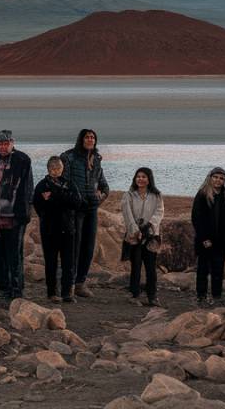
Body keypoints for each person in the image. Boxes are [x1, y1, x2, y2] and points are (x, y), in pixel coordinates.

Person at [60, 128, 109, 298]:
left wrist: (100, 197)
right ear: (81, 139)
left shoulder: (96, 159)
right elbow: (63, 182)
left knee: (88, 247)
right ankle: (69, 284)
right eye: (87, 137)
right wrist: (73, 200)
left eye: (93, 137)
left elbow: (104, 185)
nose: (90, 140)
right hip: (75, 209)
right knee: (74, 247)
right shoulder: (68, 157)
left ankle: (81, 282)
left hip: (91, 209)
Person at [0, 129, 34, 301]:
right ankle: (3, 288)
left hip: (15, 215)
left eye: (5, 143)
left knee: (14, 254)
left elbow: (28, 187)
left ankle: (17, 289)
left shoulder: (22, 159)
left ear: (12, 142)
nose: (2, 147)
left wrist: (26, 211)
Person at [32, 155, 82, 303]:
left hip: (68, 228)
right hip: (49, 229)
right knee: (51, 262)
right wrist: (59, 201)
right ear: (48, 169)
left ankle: (67, 293)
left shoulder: (69, 183)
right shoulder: (42, 185)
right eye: (53, 168)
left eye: (58, 168)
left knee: (68, 262)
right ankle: (52, 292)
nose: (56, 171)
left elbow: (77, 202)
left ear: (63, 168)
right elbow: (38, 205)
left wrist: (55, 196)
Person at [191, 166, 225, 306]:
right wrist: (204, 238)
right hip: (205, 239)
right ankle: (201, 296)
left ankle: (217, 296)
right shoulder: (202, 194)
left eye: (221, 178)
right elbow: (196, 218)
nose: (218, 180)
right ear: (210, 178)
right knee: (203, 269)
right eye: (215, 177)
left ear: (224, 181)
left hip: (221, 240)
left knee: (218, 269)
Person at [121, 167, 164, 307]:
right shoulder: (128, 195)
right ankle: (134, 294)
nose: (140, 179)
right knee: (136, 265)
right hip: (134, 236)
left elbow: (159, 212)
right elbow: (127, 214)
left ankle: (152, 295)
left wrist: (149, 226)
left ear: (149, 179)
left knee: (151, 266)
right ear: (135, 179)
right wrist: (136, 230)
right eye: (138, 176)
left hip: (151, 236)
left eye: (144, 177)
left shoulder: (156, 195)